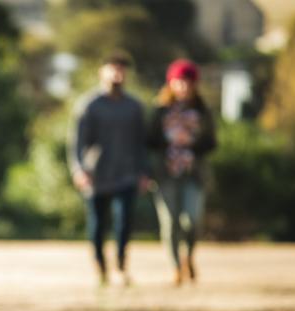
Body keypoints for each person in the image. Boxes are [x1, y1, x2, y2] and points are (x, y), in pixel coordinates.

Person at [68, 53, 150, 286]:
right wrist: (78, 170)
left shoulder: (134, 106)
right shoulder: (89, 104)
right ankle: (100, 265)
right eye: (113, 69)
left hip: (127, 174)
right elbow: (77, 142)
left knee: (124, 222)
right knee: (97, 224)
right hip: (97, 174)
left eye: (121, 70)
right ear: (102, 72)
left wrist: (144, 172)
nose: (117, 74)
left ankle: (122, 266)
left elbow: (141, 143)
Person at [148, 59, 217, 286]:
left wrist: (191, 146)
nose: (184, 86)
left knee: (192, 220)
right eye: (179, 82)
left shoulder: (203, 111)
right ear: (171, 84)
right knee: (170, 223)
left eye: (188, 82)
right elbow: (149, 141)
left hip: (193, 173)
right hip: (165, 173)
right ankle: (177, 267)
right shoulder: (160, 111)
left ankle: (189, 256)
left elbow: (211, 142)